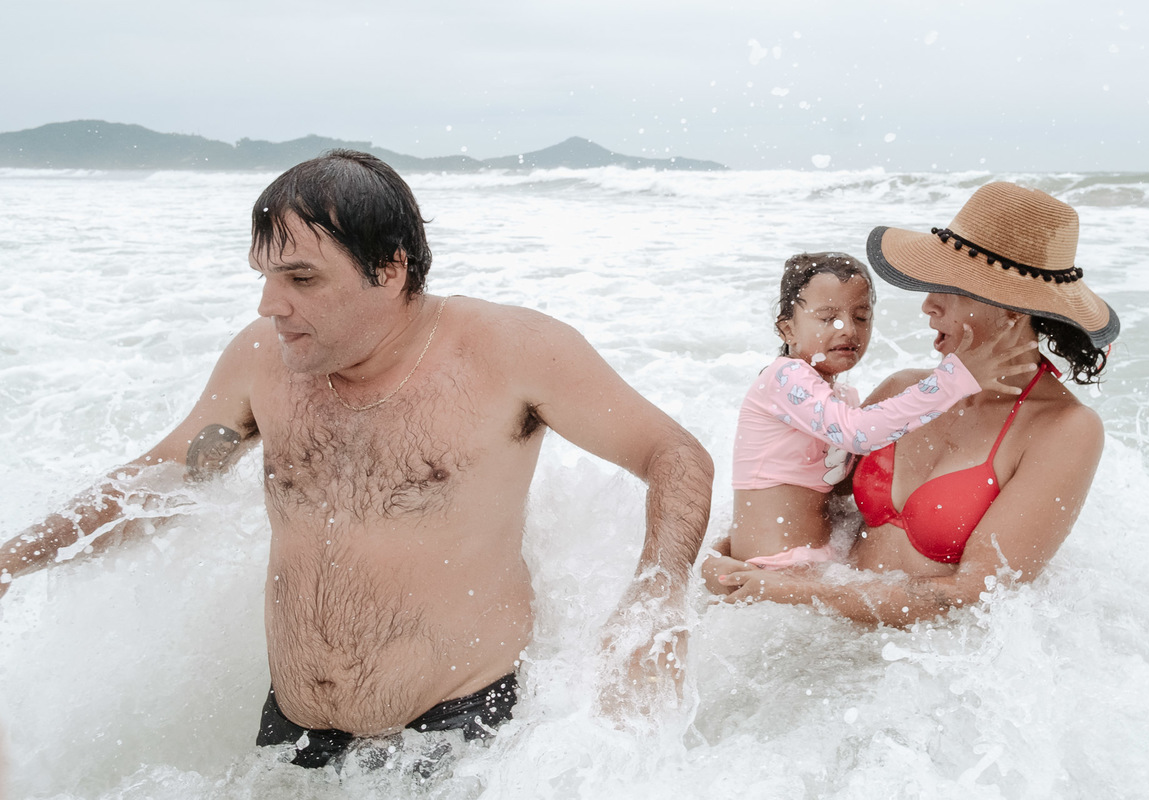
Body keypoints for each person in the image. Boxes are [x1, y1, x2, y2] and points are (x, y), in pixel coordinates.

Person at [0, 150, 714, 769]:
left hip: (462, 736)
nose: (267, 306)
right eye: (263, 276)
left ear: (391, 269)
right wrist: (10, 560)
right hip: (293, 733)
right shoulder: (264, 364)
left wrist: (657, 598)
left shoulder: (512, 354)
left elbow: (674, 454)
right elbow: (162, 478)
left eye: (301, 279)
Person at [707, 182, 1119, 626]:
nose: (927, 305)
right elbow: (807, 501)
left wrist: (801, 594)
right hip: (818, 640)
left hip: (922, 674)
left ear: (1011, 310)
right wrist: (722, 556)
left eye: (949, 287)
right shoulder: (902, 391)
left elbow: (978, 595)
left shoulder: (1066, 429)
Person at [728, 252, 1032, 572]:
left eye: (861, 316)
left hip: (813, 563)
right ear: (787, 329)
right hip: (769, 566)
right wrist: (953, 380)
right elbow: (858, 433)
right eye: (827, 317)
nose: (848, 329)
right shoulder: (783, 377)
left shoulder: (842, 396)